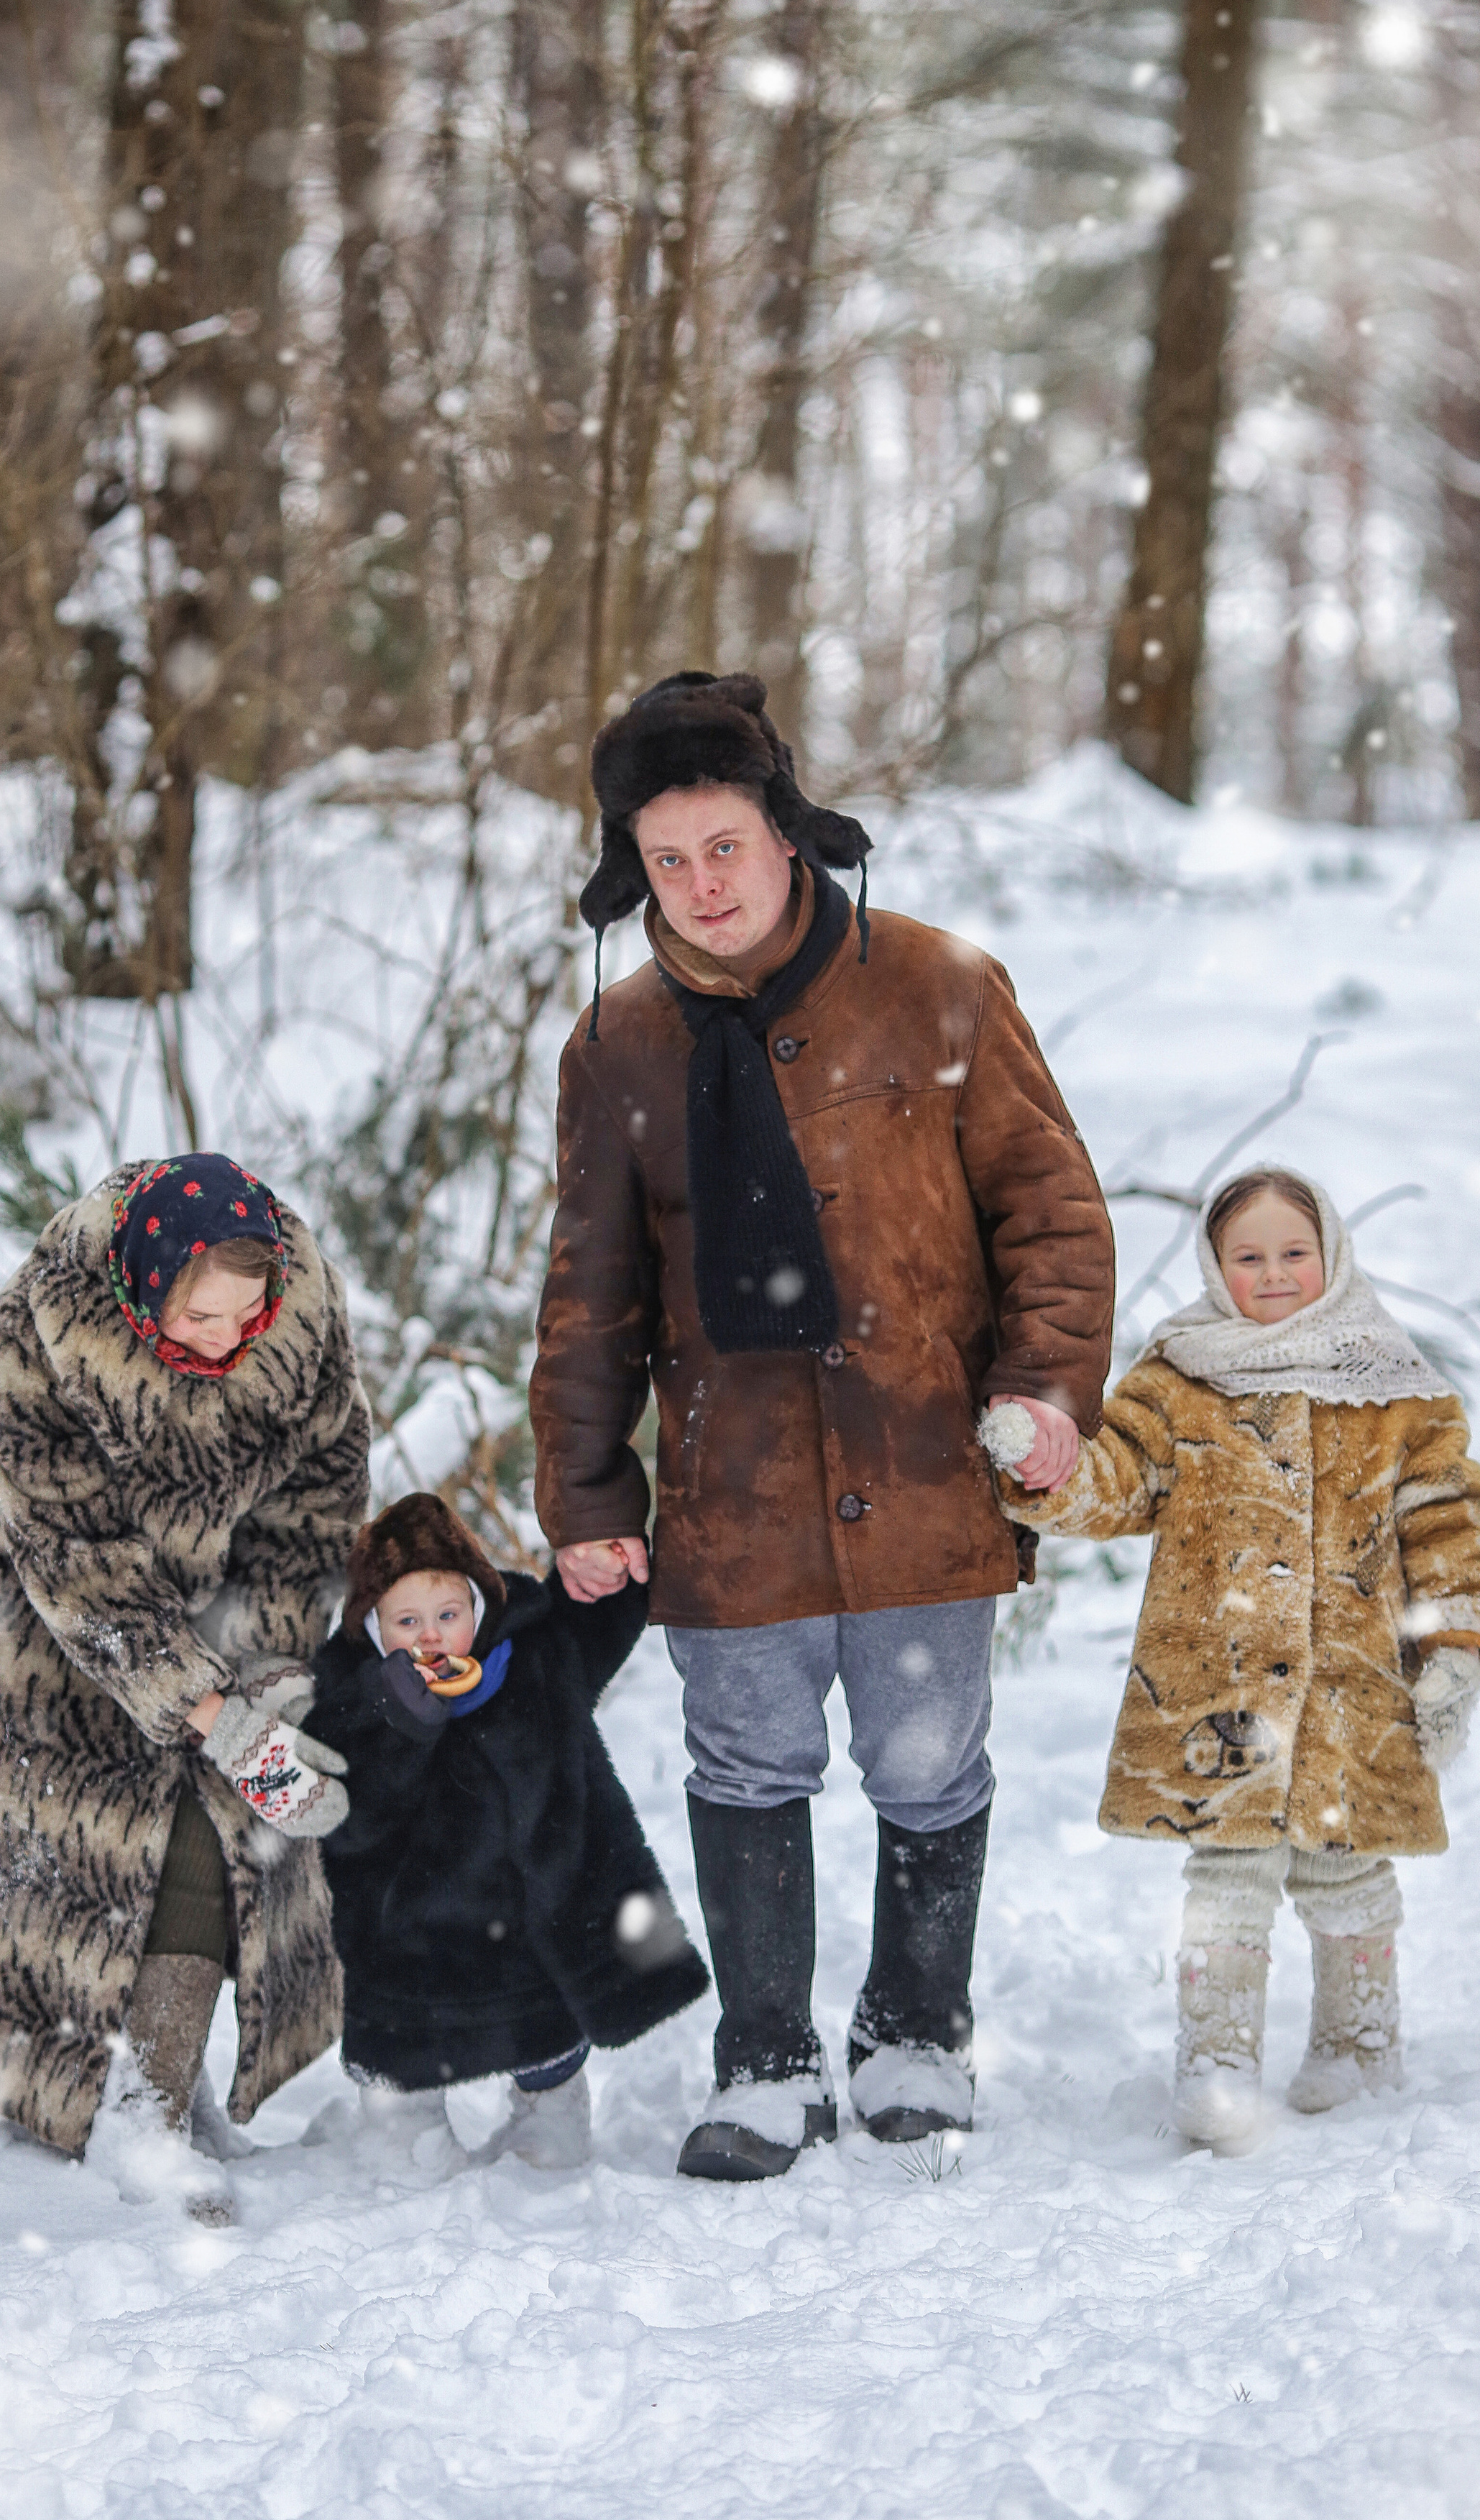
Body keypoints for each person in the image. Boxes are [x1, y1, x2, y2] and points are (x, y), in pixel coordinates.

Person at [530, 669, 1115, 2178]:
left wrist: (1043, 1392)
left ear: (785, 832)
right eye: (664, 859)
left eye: (721, 844)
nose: (698, 884)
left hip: (923, 1466)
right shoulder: (620, 1048)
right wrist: (588, 1500)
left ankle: (915, 2031)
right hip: (737, 1488)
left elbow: (1048, 1214)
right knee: (743, 1765)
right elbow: (586, 1296)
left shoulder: (936, 987)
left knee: (926, 1765)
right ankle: (766, 2059)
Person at [983, 1165, 1480, 2150]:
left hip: (1354, 1691)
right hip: (1219, 1693)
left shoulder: (1393, 1388)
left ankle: (1360, 2047)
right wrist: (1044, 1467)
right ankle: (1216, 2064)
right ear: (1217, 1267)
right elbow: (1120, 1481)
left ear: (1333, 1254)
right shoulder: (1183, 1376)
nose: (1274, 1274)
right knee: (1225, 1876)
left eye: (1294, 1253)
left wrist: (1457, 1643)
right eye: (1250, 1257)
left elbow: (1448, 1517)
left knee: (1344, 1869)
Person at [0, 1153, 367, 2208]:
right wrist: (203, 1705)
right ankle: (131, 2111)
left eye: (247, 1312)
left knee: (230, 1833)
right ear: (144, 1284)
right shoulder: (40, 1332)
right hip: (50, 1625)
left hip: (220, 1607)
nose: (230, 1339)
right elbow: (74, 1554)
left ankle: (162, 2086)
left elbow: (315, 1505)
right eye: (203, 1317)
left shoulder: (299, 1319)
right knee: (93, 1870)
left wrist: (260, 1673)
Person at [301, 1493, 709, 2172]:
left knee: (544, 2032)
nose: (431, 1637)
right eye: (407, 1621)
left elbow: (593, 1618)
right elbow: (349, 1817)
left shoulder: (532, 1658)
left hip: (530, 1911)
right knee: (404, 2052)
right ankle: (409, 2129)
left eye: (448, 1615)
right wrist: (398, 1721)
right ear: (373, 1631)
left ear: (480, 1610)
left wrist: (612, 1567)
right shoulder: (353, 1706)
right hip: (413, 1927)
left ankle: (551, 2116)